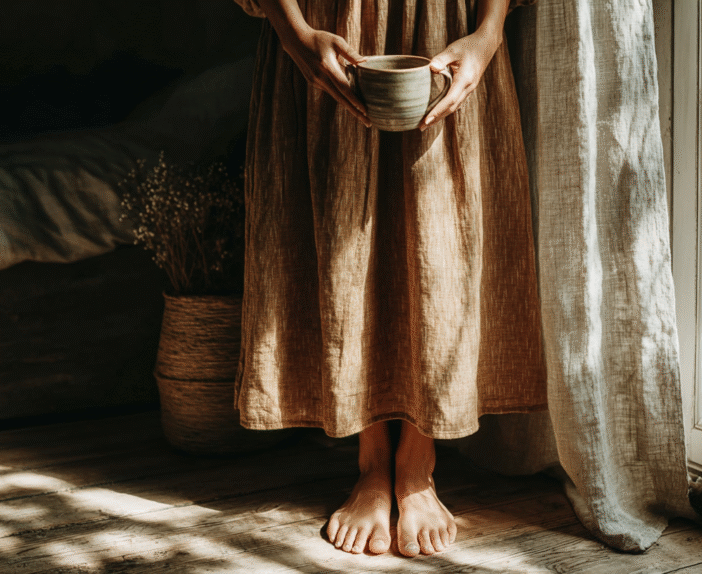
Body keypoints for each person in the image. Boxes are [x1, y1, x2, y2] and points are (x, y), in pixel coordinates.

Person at [232, 0, 545, 557]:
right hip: (328, 22)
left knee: (441, 238)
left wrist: (489, 32)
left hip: (448, 27)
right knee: (342, 234)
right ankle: (372, 459)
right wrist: (293, 31)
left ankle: (417, 464)